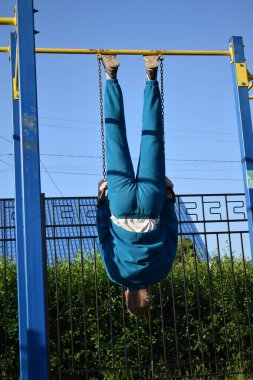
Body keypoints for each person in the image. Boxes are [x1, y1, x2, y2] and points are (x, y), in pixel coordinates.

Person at [96, 55, 178, 317]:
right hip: (119, 206)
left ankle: (150, 77)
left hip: (151, 203)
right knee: (114, 137)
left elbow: (171, 231)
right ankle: (111, 75)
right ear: (127, 296)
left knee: (153, 138)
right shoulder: (116, 274)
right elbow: (103, 237)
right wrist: (101, 200)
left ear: (149, 295)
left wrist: (168, 198)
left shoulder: (161, 272)